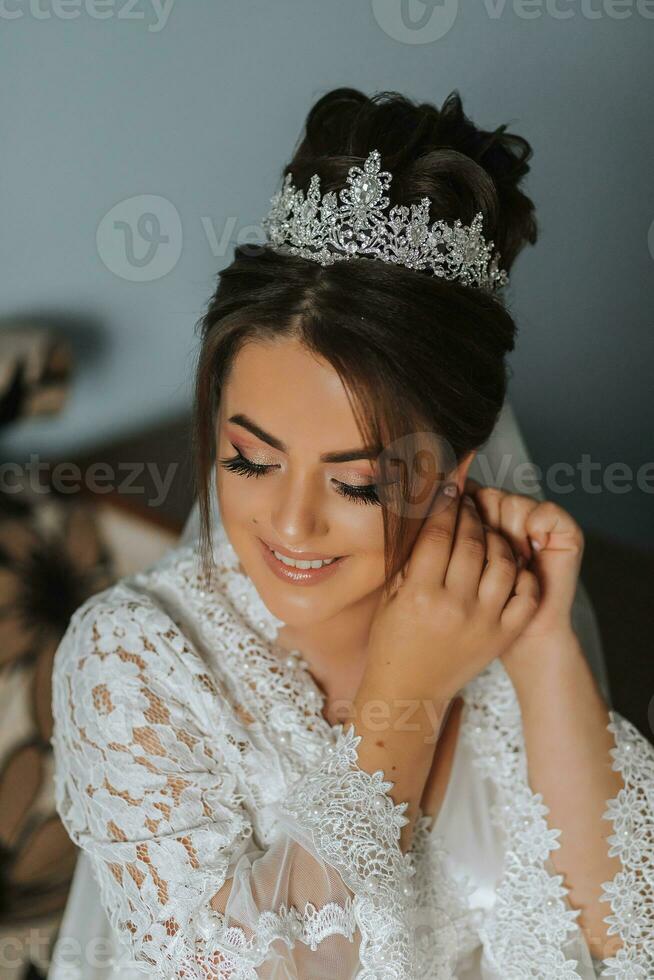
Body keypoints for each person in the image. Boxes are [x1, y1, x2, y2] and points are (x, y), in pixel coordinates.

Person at [49, 88, 653, 979]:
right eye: (249, 461)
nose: (291, 523)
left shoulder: (485, 603)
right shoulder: (132, 662)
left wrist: (540, 645)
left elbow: (631, 937)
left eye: (357, 481)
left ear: (455, 470)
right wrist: (404, 697)